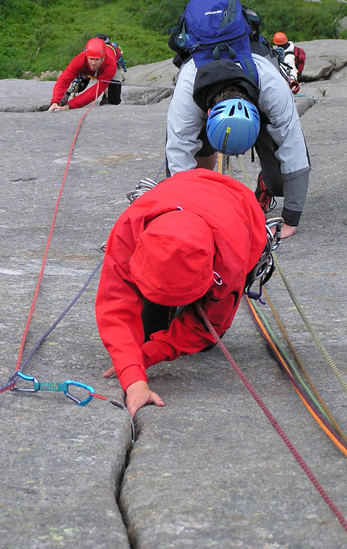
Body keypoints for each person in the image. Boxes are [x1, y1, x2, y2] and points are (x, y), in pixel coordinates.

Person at [96, 169, 268, 417]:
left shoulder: (232, 261)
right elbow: (115, 306)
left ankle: (183, 302)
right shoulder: (130, 228)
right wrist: (133, 373)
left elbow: (209, 325)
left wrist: (145, 356)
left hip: (238, 207)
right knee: (146, 333)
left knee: (204, 343)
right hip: (180, 190)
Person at [166, 53, 310, 239]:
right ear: (209, 113)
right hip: (200, 100)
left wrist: (290, 220)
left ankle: (267, 180)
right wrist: (187, 216)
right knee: (194, 176)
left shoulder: (272, 87)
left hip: (261, 96)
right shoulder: (187, 93)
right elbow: (178, 159)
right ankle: (201, 201)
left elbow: (294, 150)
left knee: (281, 182)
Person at [48, 37, 122, 111]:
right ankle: (67, 93)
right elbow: (64, 78)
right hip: (88, 70)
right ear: (87, 56)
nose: (93, 63)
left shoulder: (110, 65)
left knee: (114, 100)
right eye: (91, 59)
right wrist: (55, 101)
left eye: (96, 59)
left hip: (109, 67)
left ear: (103, 58)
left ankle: (106, 95)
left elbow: (95, 91)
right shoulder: (80, 59)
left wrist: (69, 105)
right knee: (81, 86)